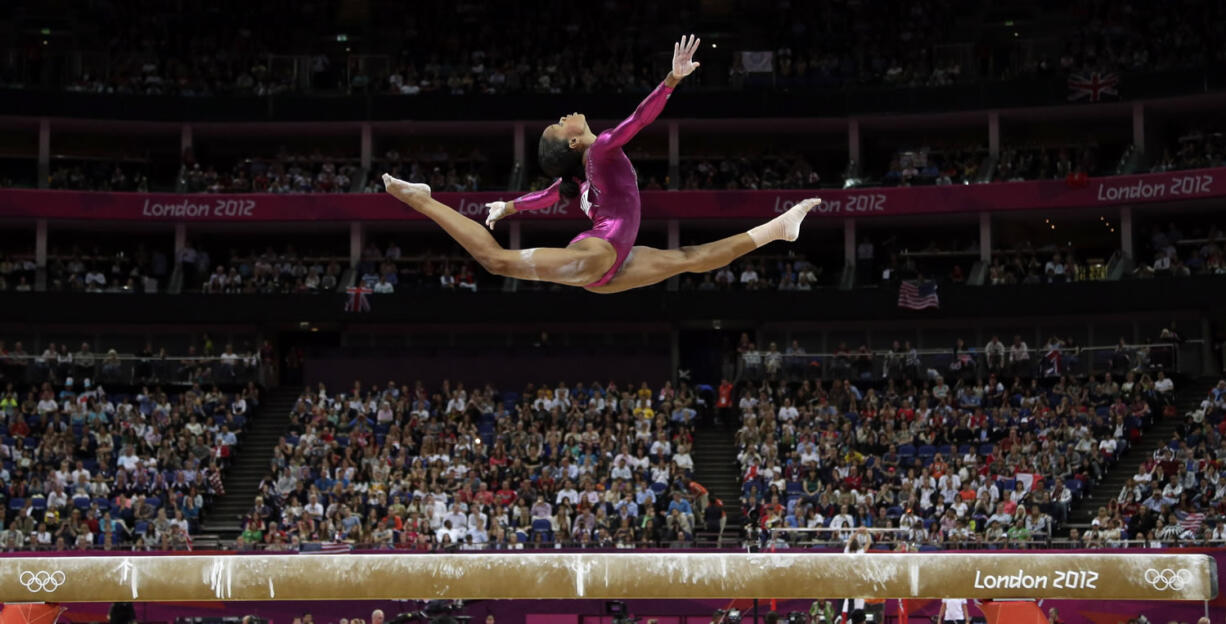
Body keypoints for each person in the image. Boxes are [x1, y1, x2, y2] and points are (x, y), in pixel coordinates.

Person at [383, 35, 820, 294]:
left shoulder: (585, 172)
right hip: (600, 256)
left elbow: (555, 193)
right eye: (560, 124)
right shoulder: (602, 148)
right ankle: (423, 200)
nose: (565, 115)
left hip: (612, 260)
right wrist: (671, 80)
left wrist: (512, 207)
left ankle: (777, 229)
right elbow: (639, 119)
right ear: (574, 140)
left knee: (690, 257)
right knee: (497, 262)